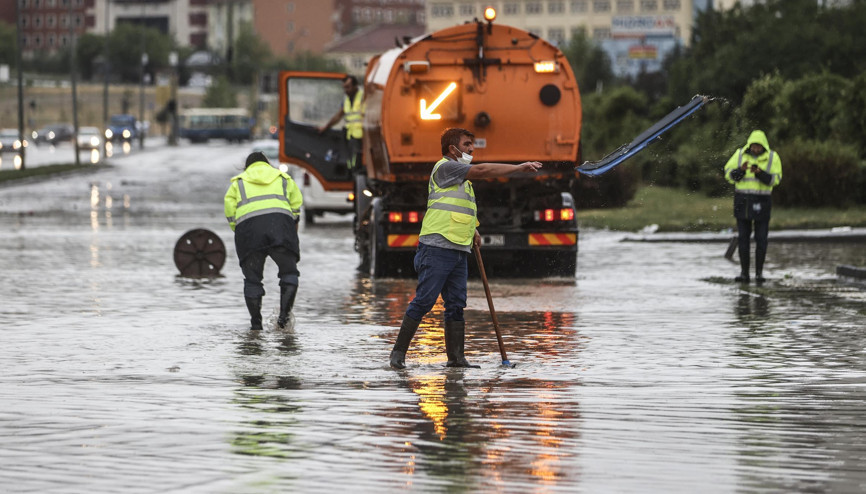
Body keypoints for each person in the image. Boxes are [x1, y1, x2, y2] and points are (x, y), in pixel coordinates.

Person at [389, 128, 543, 369]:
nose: (472, 148)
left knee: (456, 303)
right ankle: (398, 355)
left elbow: (460, 208)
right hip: (437, 246)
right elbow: (482, 170)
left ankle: (457, 359)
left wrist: (475, 230)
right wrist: (517, 167)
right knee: (425, 301)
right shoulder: (445, 167)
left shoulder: (462, 180)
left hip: (459, 247)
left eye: (472, 144)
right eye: (467, 144)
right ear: (453, 148)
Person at [224, 151, 303, 331]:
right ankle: (283, 320)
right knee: (289, 273)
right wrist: (291, 229)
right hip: (281, 229)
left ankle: (256, 326)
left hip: (250, 232)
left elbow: (231, 214)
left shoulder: (238, 183)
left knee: (252, 280)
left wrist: (243, 232)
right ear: (267, 164)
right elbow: (296, 208)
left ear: (247, 167)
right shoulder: (284, 179)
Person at [723, 130, 782, 284]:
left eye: (759, 147)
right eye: (754, 146)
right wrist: (741, 170)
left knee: (761, 239)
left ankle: (759, 274)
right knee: (743, 238)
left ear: (764, 146)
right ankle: (744, 274)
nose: (756, 149)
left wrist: (760, 173)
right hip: (742, 202)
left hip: (762, 202)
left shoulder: (772, 157)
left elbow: (775, 180)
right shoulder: (740, 154)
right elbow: (729, 175)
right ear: (750, 145)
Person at [318, 75, 364, 174]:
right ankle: (352, 174)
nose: (346, 90)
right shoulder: (346, 99)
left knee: (358, 160)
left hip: (362, 136)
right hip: (350, 134)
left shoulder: (363, 97)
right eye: (344, 87)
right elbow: (338, 116)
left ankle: (357, 173)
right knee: (350, 159)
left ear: (355, 86)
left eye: (348, 87)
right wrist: (326, 127)